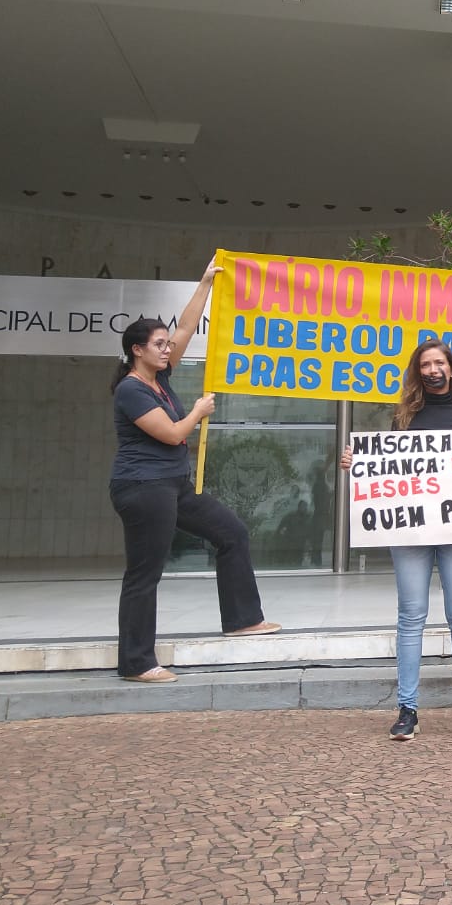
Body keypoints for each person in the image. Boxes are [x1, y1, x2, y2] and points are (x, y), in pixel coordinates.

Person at [339, 340, 452, 741]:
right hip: (410, 531)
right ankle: (407, 709)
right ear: (417, 371)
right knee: (411, 617)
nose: (433, 369)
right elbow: (388, 467)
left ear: (451, 369)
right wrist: (359, 464)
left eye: (439, 362)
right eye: (425, 364)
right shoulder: (404, 415)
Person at [109, 258, 278, 684]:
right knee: (144, 574)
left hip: (172, 485)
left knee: (231, 532)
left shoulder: (160, 378)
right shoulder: (131, 389)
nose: (168, 349)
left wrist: (205, 283)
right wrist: (199, 412)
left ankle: (243, 619)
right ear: (137, 350)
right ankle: (137, 663)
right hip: (143, 487)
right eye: (159, 344)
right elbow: (170, 434)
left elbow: (185, 327)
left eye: (167, 344)